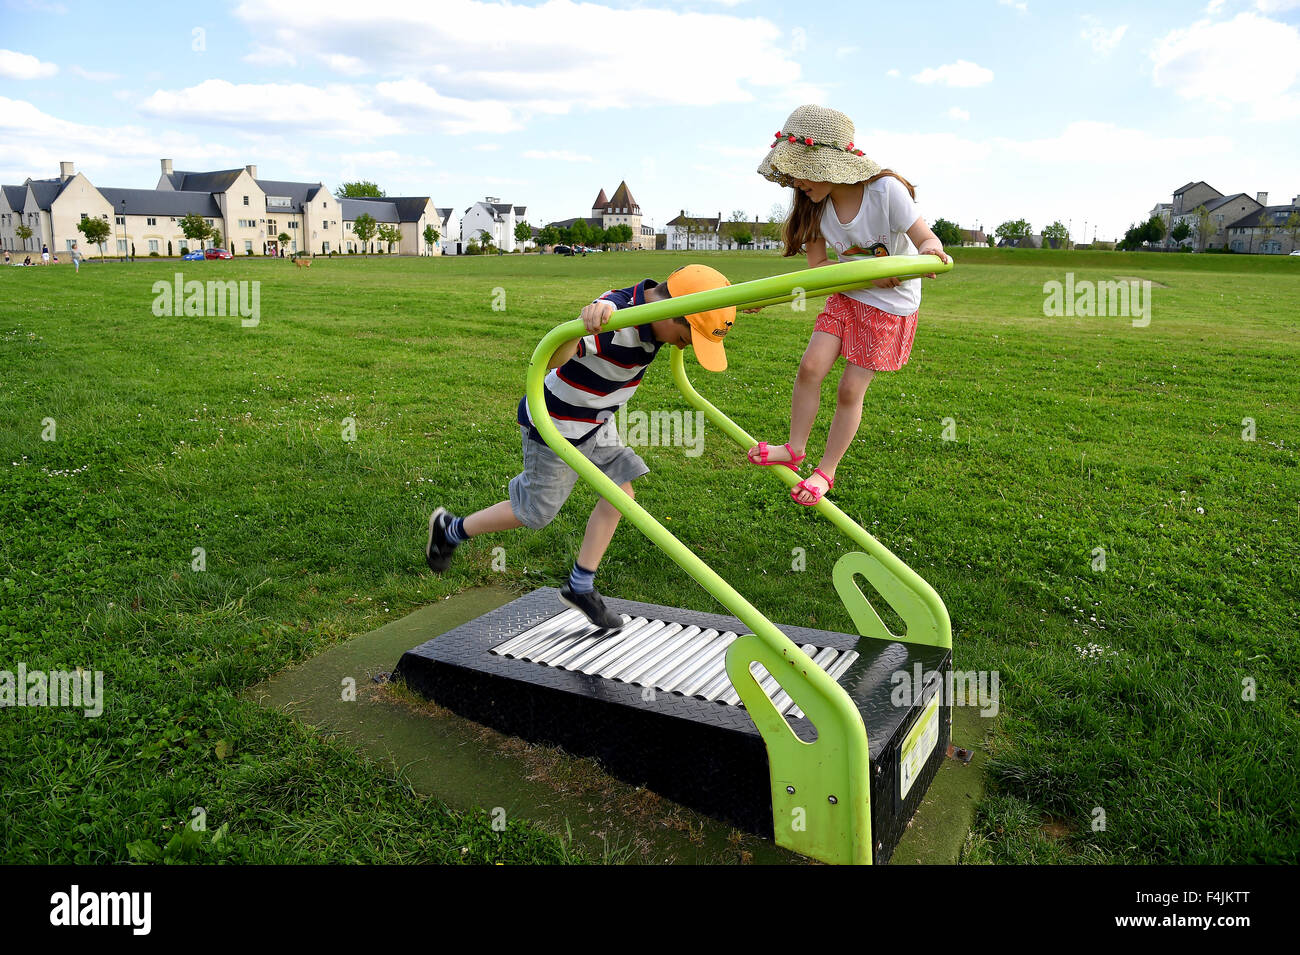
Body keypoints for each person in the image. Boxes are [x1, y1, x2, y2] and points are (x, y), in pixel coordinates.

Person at [426, 265, 737, 627]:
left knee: (621, 495)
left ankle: (580, 584)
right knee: (534, 514)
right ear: (674, 313)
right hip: (556, 424)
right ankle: (450, 529)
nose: (687, 345)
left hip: (597, 422)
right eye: (690, 337)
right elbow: (554, 357)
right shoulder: (615, 320)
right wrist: (580, 327)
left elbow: (705, 300)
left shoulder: (657, 315)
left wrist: (737, 304)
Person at [747, 104, 952, 506]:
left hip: (890, 306)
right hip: (847, 295)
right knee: (810, 367)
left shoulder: (885, 192)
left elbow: (927, 239)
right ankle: (794, 448)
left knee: (848, 389)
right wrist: (763, 301)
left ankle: (826, 471)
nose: (794, 182)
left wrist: (929, 253)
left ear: (829, 165)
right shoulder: (814, 207)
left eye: (799, 170)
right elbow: (817, 272)